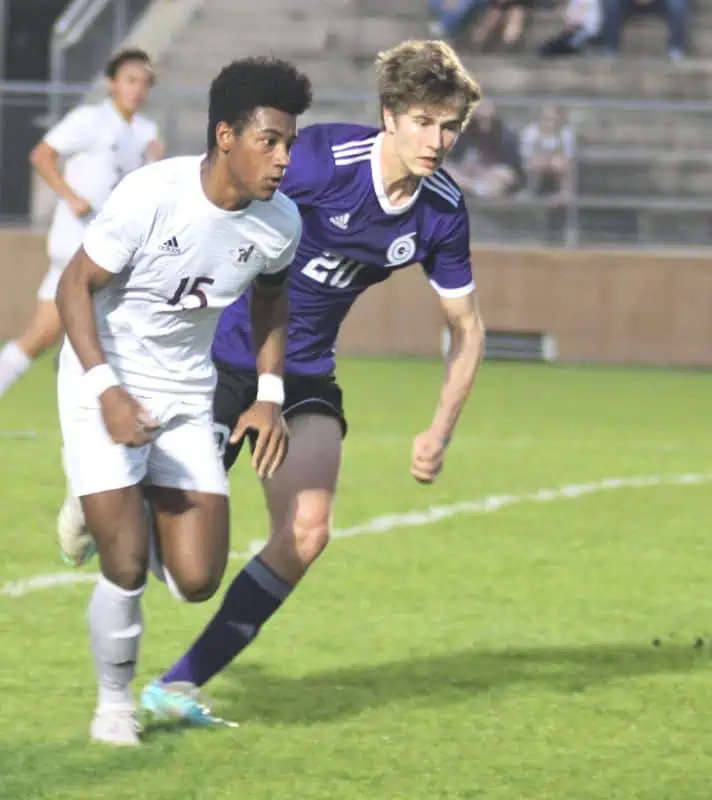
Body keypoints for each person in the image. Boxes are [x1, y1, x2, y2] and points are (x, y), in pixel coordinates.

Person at [130, 39, 487, 726]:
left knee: (308, 530)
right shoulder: (323, 161)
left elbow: (467, 328)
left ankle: (178, 686)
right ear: (389, 116)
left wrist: (439, 430)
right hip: (223, 359)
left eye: (449, 127)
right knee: (180, 566)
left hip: (307, 371)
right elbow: (221, 198)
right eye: (422, 122)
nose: (436, 141)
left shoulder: (442, 209)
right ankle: (107, 500)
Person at [56, 55, 311, 746]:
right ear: (226, 136)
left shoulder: (279, 222)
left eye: (289, 144)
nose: (284, 159)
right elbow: (74, 285)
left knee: (197, 579)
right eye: (270, 141)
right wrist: (107, 390)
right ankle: (113, 707)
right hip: (105, 375)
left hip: (187, 390)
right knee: (126, 564)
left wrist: (269, 393)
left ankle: (108, 499)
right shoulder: (152, 195)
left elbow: (272, 300)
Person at [0, 48, 162, 400]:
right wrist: (70, 195)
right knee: (101, 333)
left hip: (114, 247)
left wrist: (155, 162)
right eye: (131, 80)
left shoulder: (146, 131)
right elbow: (42, 154)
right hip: (78, 245)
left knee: (43, 333)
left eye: (144, 82)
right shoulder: (90, 119)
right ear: (112, 83)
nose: (138, 89)